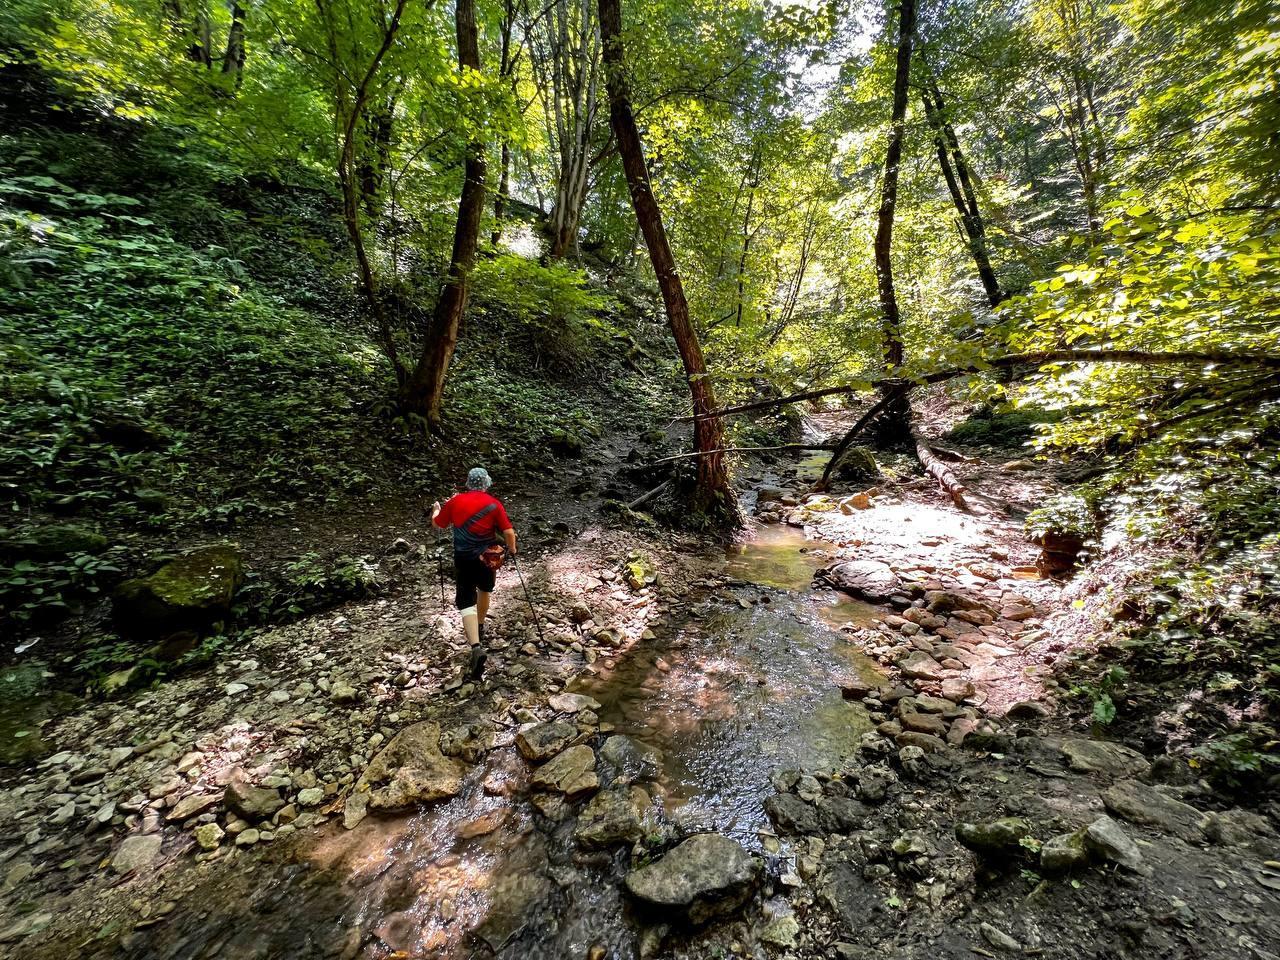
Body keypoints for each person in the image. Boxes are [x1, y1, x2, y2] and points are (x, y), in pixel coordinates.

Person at [431, 467, 517, 681]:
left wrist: (435, 510)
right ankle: (480, 625)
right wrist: (512, 549)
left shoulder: (455, 501)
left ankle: (476, 646)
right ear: (486, 483)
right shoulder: (494, 504)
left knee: (466, 601)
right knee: (485, 589)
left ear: (468, 483)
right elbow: (508, 532)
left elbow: (438, 524)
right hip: (486, 557)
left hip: (463, 558)